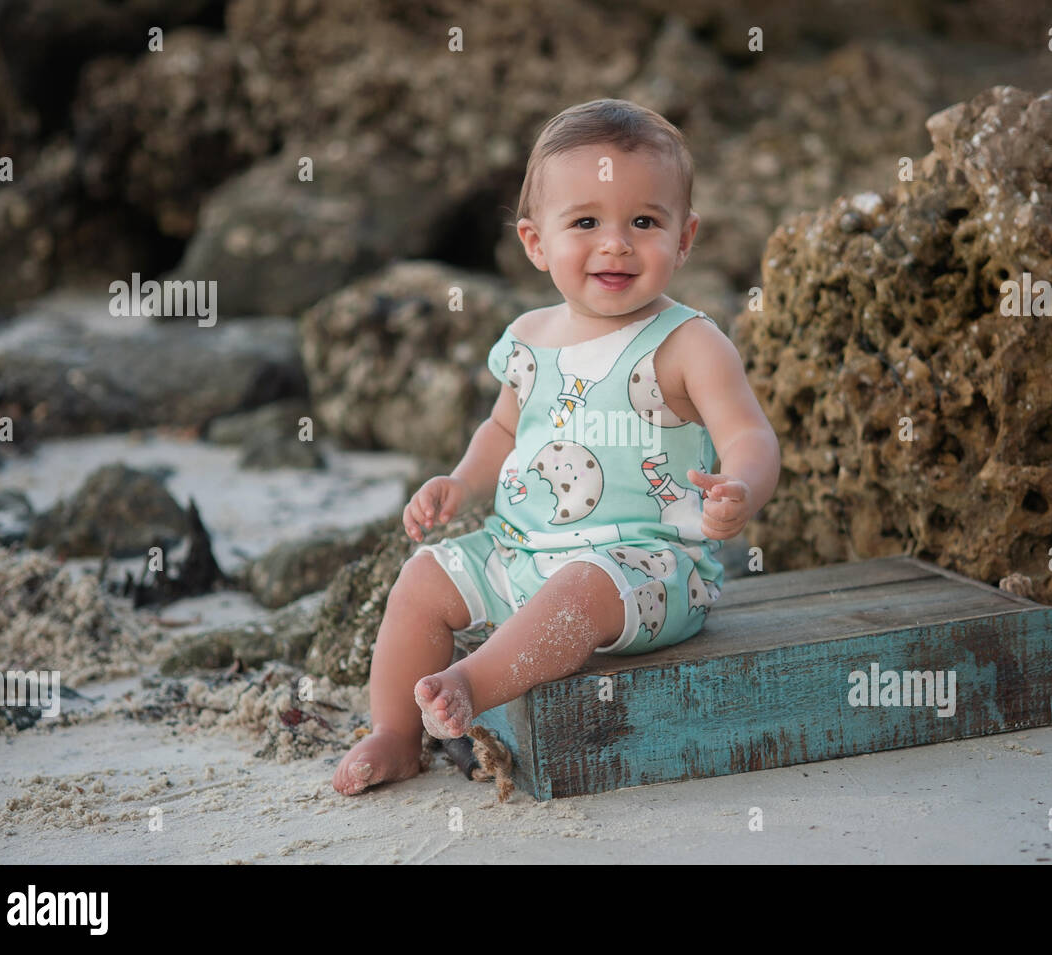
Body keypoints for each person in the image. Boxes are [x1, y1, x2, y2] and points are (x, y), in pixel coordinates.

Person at [333, 98, 780, 795]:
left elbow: (750, 434)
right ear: (536, 242)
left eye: (644, 221)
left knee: (581, 587)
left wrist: (740, 489)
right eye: (585, 222)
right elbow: (505, 431)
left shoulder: (689, 344)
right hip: (523, 550)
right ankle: (393, 731)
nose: (616, 243)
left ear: (685, 236)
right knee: (421, 579)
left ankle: (470, 683)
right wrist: (460, 482)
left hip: (646, 569)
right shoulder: (529, 338)